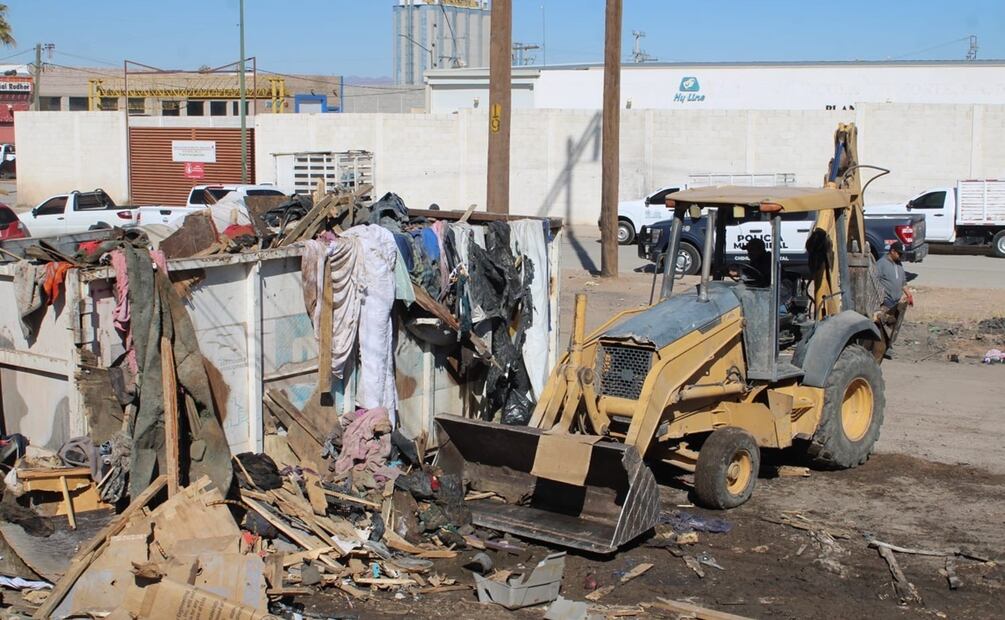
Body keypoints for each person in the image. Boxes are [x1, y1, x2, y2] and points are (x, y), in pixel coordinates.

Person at [876, 241, 906, 309]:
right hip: (886, 301)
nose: (900, 256)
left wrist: (909, 295)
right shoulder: (881, 263)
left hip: (897, 301)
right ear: (892, 251)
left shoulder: (899, 264)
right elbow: (874, 281)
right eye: (899, 253)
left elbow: (903, 282)